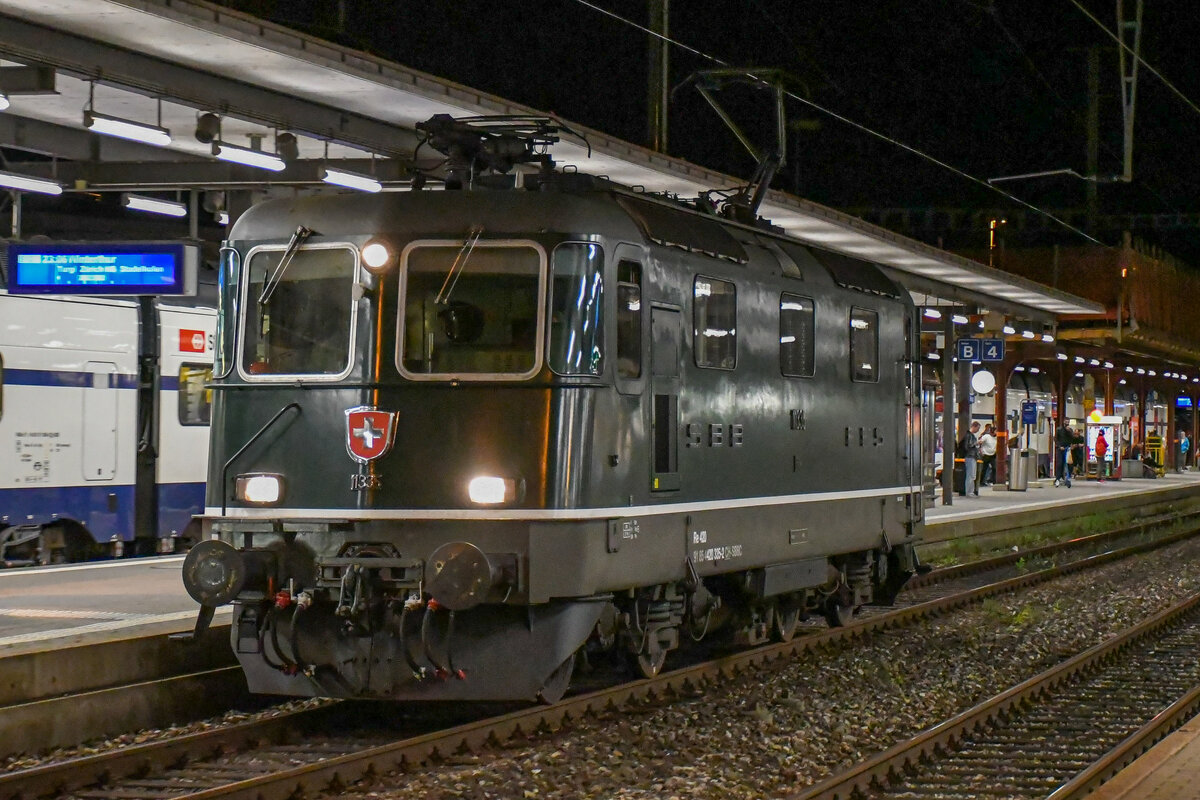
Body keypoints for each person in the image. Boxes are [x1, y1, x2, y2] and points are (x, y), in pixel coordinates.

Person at [959, 421, 980, 496]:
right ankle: (969, 492)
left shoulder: (969, 435)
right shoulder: (969, 435)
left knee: (972, 475)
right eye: (977, 428)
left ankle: (971, 491)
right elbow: (968, 446)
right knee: (970, 475)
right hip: (970, 456)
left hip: (971, 456)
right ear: (974, 426)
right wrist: (976, 443)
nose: (978, 430)